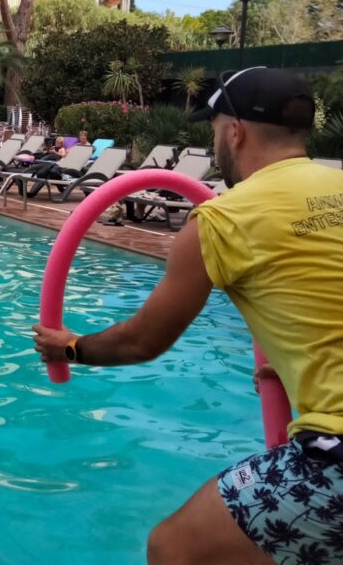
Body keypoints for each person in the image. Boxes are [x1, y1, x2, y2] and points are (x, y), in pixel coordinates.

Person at [32, 67, 343, 564]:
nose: (215, 143)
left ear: (235, 131)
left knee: (174, 548)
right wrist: (297, 362)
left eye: (214, 130)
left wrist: (69, 347)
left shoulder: (223, 219)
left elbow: (142, 341)